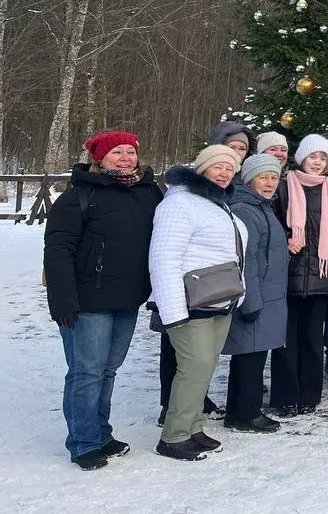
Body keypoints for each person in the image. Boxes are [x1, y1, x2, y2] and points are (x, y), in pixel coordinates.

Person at [44, 131, 163, 470]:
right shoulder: (79, 195)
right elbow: (58, 251)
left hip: (128, 299)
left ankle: (101, 433)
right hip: (87, 301)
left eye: (130, 152)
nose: (126, 158)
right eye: (117, 153)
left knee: (107, 370)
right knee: (87, 372)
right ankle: (83, 442)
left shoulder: (149, 192)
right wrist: (63, 301)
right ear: (100, 159)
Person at [150, 145, 248, 461]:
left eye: (230, 169)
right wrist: (173, 311)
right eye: (218, 167)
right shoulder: (179, 203)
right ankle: (174, 436)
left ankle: (193, 427)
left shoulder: (219, 204)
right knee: (194, 367)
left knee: (205, 366)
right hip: (190, 302)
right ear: (202, 168)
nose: (224, 173)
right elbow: (164, 258)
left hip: (220, 300)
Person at [270, 135, 328, 417]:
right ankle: (284, 397)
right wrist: (285, 242)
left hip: (320, 276)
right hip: (289, 275)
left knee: (313, 340)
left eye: (323, 158)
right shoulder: (284, 187)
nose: (317, 163)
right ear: (302, 158)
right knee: (286, 340)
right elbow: (274, 225)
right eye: (313, 157)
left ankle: (309, 395)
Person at [222, 154, 288, 434]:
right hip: (257, 297)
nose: (270, 183)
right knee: (250, 357)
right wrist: (250, 300)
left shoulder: (263, 207)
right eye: (263, 177)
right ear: (249, 179)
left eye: (274, 177)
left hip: (268, 295)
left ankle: (239, 410)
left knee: (251, 355)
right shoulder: (247, 210)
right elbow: (247, 260)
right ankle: (247, 413)